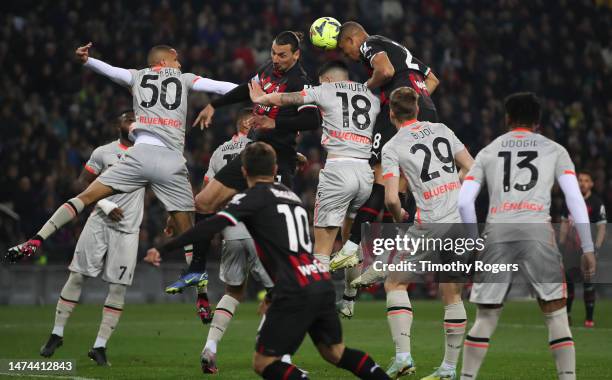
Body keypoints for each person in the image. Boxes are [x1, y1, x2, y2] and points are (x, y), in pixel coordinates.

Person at [6, 43, 237, 319]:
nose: (180, 64)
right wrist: (255, 91)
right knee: (189, 233)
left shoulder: (137, 76)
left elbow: (111, 71)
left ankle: (35, 240)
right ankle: (201, 298)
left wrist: (87, 61)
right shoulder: (186, 79)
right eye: (177, 60)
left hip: (138, 156)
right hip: (171, 162)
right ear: (165, 61)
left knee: (85, 198)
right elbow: (222, 87)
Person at [146, 142, 390, 380]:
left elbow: (211, 224)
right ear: (275, 170)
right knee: (336, 353)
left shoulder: (251, 198)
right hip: (319, 280)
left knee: (263, 363)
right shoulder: (290, 195)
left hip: (294, 288)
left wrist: (164, 248)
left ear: (243, 172)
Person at [457, 92, 597, 380]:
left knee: (486, 317)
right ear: (538, 121)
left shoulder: (489, 150)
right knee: (556, 314)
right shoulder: (555, 150)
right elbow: (574, 198)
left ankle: (467, 378)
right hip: (538, 232)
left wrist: (472, 241)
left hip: (497, 232)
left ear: (507, 118)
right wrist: (587, 245)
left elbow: (463, 201)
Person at [172, 31, 321, 293]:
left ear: (296, 55)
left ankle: (297, 282)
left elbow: (312, 119)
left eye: (282, 55)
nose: (275, 59)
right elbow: (245, 89)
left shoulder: (300, 81)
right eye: (274, 53)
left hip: (276, 159)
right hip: (252, 154)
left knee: (276, 228)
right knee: (204, 202)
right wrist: (214, 106)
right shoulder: (268, 70)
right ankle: (196, 269)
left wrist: (276, 122)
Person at [248, 59, 379, 318]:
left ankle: (317, 310)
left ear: (328, 79)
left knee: (323, 246)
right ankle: (349, 300)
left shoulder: (326, 89)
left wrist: (262, 96)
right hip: (366, 172)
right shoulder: (371, 96)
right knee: (351, 243)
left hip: (338, 169)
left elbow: (289, 99)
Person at [365, 87, 473, 379]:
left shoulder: (392, 146)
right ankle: (449, 369)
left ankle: (403, 357)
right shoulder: (442, 129)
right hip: (459, 221)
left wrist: (400, 215)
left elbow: (390, 199)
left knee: (394, 283)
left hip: (429, 223)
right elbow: (471, 168)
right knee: (452, 294)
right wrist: (453, 183)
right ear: (417, 109)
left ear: (391, 114)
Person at [331, 21, 440, 272]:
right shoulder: (399, 48)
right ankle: (392, 255)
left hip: (399, 110)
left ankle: (351, 247)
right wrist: (417, 103)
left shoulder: (370, 43)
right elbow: (432, 79)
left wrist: (365, 89)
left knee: (380, 176)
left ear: (351, 39)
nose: (349, 56)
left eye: (345, 49)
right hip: (425, 112)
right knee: (401, 182)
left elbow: (386, 71)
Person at [39, 110, 144, 366]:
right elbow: (81, 184)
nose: (131, 123)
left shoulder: (146, 155)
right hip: (98, 221)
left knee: (118, 287)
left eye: (135, 120)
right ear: (118, 125)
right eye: (127, 119)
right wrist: (105, 204)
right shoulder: (102, 152)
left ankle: (99, 346)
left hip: (128, 229)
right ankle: (57, 333)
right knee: (77, 275)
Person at [198, 108, 275, 373]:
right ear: (249, 123)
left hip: (231, 227)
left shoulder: (219, 152)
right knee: (278, 293)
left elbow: (207, 192)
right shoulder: (263, 150)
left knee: (233, 292)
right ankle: (265, 347)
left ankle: (210, 347)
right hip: (259, 228)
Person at [559, 170, 606, 327]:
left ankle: (589, 319)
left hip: (587, 249)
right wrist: (560, 244)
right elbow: (565, 224)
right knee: (569, 284)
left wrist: (596, 248)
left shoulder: (596, 202)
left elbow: (601, 228)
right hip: (571, 249)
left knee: (588, 283)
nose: (583, 183)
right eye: (580, 180)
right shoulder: (570, 201)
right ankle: (567, 316)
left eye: (586, 180)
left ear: (591, 184)